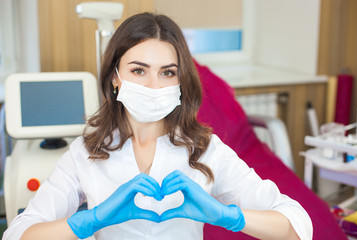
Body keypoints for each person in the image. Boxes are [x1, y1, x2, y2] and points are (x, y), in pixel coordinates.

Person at [3, 12, 312, 240]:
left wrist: (230, 217)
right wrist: (89, 221)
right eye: (139, 70)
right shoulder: (87, 152)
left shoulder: (204, 150)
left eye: (167, 73)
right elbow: (19, 233)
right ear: (114, 77)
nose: (153, 85)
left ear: (181, 80)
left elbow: (297, 224)